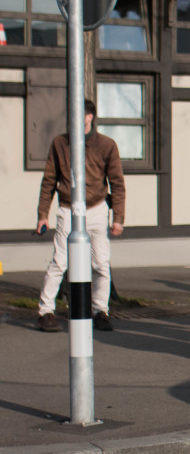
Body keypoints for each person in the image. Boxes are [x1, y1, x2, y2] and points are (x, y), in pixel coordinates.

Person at [35, 99, 125, 332]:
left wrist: (118, 218)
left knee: (101, 264)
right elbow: (49, 181)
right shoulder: (60, 144)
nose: (78, 119)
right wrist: (42, 214)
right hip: (68, 208)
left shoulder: (106, 145)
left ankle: (100, 311)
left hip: (96, 209)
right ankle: (45, 311)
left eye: (83, 115)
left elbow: (117, 183)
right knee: (60, 261)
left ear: (90, 117)